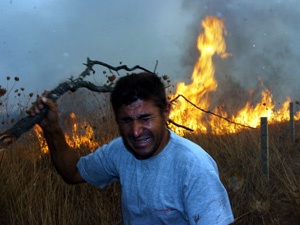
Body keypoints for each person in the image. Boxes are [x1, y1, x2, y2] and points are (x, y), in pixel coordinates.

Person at [28, 72, 234, 225]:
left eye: (145, 118)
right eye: (126, 120)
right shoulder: (121, 151)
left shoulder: (193, 166)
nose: (135, 132)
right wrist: (51, 129)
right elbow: (72, 172)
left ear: (166, 112)